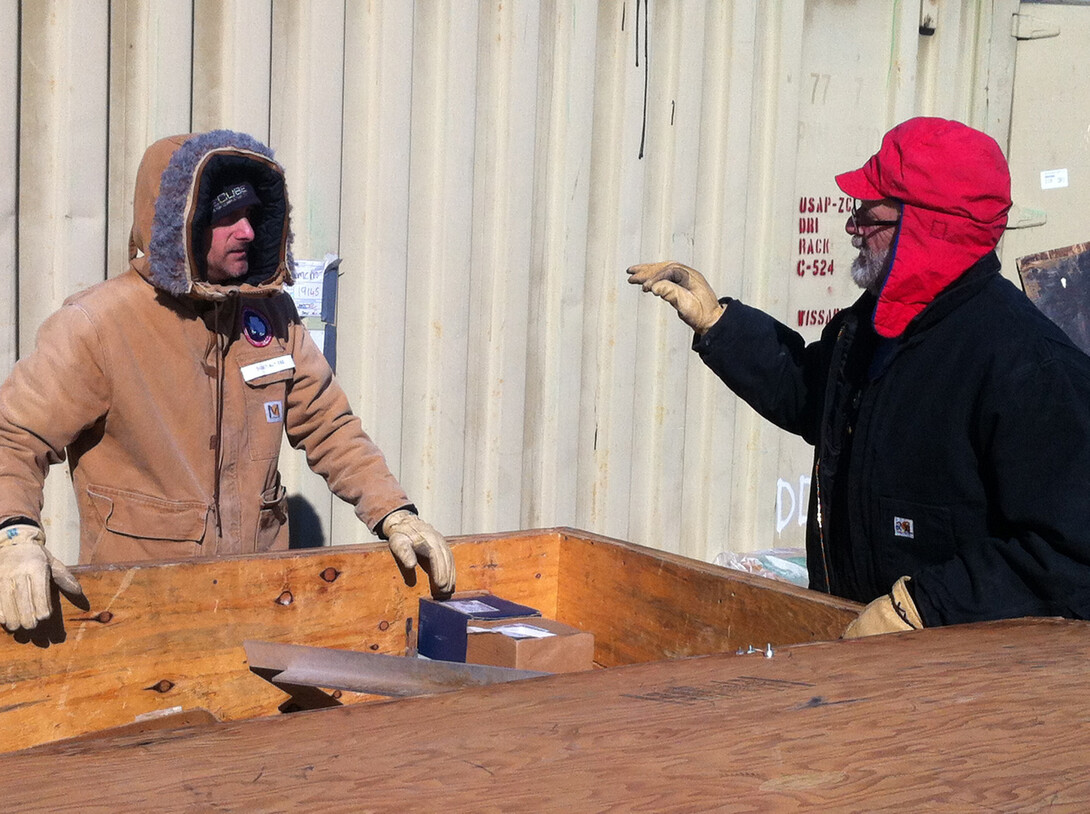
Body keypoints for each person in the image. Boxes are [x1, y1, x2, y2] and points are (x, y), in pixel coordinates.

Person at [628, 117, 1090, 637]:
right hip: (864, 654)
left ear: (930, 227)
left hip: (964, 684)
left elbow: (1069, 555)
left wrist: (921, 609)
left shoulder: (1029, 367)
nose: (851, 227)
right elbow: (813, 398)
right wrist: (719, 324)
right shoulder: (874, 328)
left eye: (868, 214)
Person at [0, 130, 455, 632]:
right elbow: (15, 436)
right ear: (178, 225)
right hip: (142, 604)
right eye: (226, 218)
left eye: (253, 216)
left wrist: (394, 512)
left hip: (259, 594)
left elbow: (327, 424)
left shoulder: (270, 312)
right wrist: (16, 536)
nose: (247, 232)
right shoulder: (98, 324)